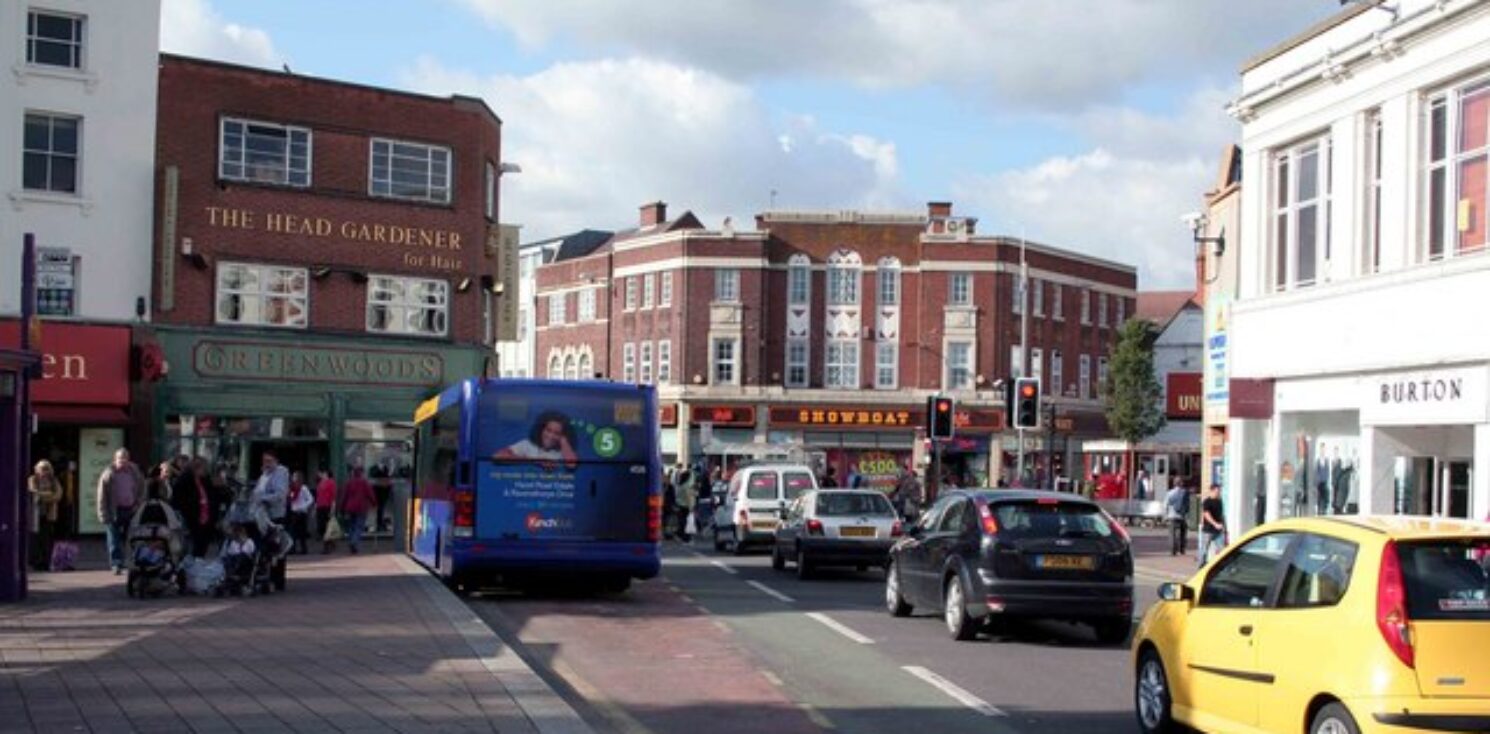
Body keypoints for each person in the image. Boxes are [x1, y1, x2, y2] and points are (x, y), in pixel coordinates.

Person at [96, 448, 146, 574]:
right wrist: (103, 514)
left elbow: (142, 489)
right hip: (114, 510)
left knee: (131, 538)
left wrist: (138, 504)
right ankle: (116, 564)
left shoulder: (135, 472)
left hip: (131, 509)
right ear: (115, 460)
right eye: (120, 458)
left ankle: (130, 562)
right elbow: (101, 496)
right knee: (113, 539)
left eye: (125, 458)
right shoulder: (108, 474)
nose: (123, 461)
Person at [496, 412, 579, 469]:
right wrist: (535, 461)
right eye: (548, 430)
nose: (550, 436)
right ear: (541, 430)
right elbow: (498, 457)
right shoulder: (527, 444)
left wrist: (563, 440)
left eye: (556, 433)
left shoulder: (563, 452)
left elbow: (572, 465)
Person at [172, 458, 217, 558]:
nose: (205, 471)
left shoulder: (205, 480)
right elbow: (179, 500)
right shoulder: (184, 480)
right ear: (196, 468)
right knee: (191, 543)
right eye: (203, 468)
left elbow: (211, 496)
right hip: (191, 516)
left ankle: (198, 561)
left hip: (205, 515)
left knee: (202, 542)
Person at [27, 460, 62, 572]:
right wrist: (48, 494)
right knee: (35, 539)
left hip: (48, 514)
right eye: (42, 469)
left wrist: (42, 495)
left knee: (47, 539)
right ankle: (36, 562)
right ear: (37, 470)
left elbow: (58, 495)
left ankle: (47, 561)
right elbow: (32, 493)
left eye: (46, 468)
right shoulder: (32, 479)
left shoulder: (54, 480)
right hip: (35, 514)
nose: (44, 471)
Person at [341, 466, 376, 554]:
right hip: (361, 507)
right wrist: (374, 503)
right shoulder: (364, 482)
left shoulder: (349, 482)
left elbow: (345, 496)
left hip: (350, 507)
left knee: (351, 526)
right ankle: (354, 542)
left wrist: (342, 507)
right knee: (359, 526)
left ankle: (352, 542)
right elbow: (370, 494)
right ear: (361, 473)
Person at [1199, 483, 1226, 566]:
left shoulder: (1219, 501)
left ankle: (1223, 566)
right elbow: (1206, 515)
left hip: (1218, 531)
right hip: (1208, 530)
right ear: (1211, 491)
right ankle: (1201, 566)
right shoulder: (1207, 502)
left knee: (1222, 550)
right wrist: (1215, 524)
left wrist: (1224, 526)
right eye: (1217, 491)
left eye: (1219, 491)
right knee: (1204, 550)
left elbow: (1221, 515)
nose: (1219, 493)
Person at [287, 471, 313, 554]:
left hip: (301, 513)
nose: (294, 478)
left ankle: (304, 549)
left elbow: (310, 499)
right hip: (294, 512)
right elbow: (290, 499)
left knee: (302, 532)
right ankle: (292, 549)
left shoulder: (303, 488)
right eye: (293, 476)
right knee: (292, 532)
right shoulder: (291, 488)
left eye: (296, 476)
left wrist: (304, 506)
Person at [314, 469, 338, 554]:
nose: (320, 474)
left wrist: (332, 508)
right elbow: (318, 496)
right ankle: (331, 543)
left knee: (326, 527)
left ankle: (326, 547)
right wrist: (315, 506)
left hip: (327, 506)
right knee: (321, 527)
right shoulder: (320, 483)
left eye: (322, 473)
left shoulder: (331, 482)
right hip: (320, 507)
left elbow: (333, 496)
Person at [1164, 481, 1190, 557]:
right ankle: (1182, 549)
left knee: (1172, 534)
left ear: (1174, 484)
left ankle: (1172, 551)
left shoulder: (1170, 493)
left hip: (1172, 516)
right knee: (1183, 533)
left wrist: (1165, 515)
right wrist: (1186, 515)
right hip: (1182, 516)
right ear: (1181, 484)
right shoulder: (1185, 492)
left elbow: (1165, 505)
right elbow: (1187, 505)